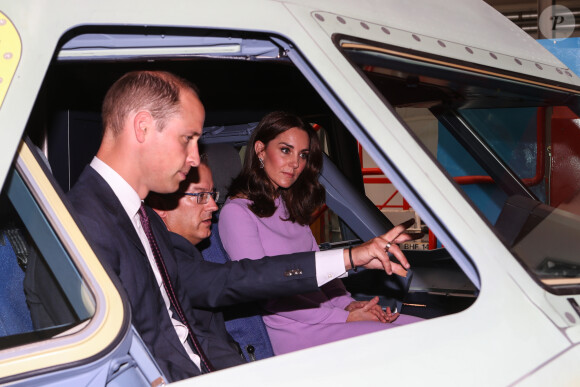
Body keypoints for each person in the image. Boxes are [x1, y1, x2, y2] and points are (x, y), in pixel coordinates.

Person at [24, 71, 414, 383]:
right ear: (142, 128)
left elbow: (228, 281)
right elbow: (79, 367)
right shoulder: (76, 227)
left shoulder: (146, 224)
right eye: (188, 138)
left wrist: (351, 257)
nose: (195, 156)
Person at [219, 111, 422, 355]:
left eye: (302, 155)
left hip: (326, 318)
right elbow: (267, 294)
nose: (295, 163)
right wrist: (343, 317)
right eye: (285, 150)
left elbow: (320, 272)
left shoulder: (287, 204)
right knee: (412, 342)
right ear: (261, 150)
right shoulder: (237, 213)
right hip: (294, 331)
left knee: (425, 331)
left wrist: (349, 305)